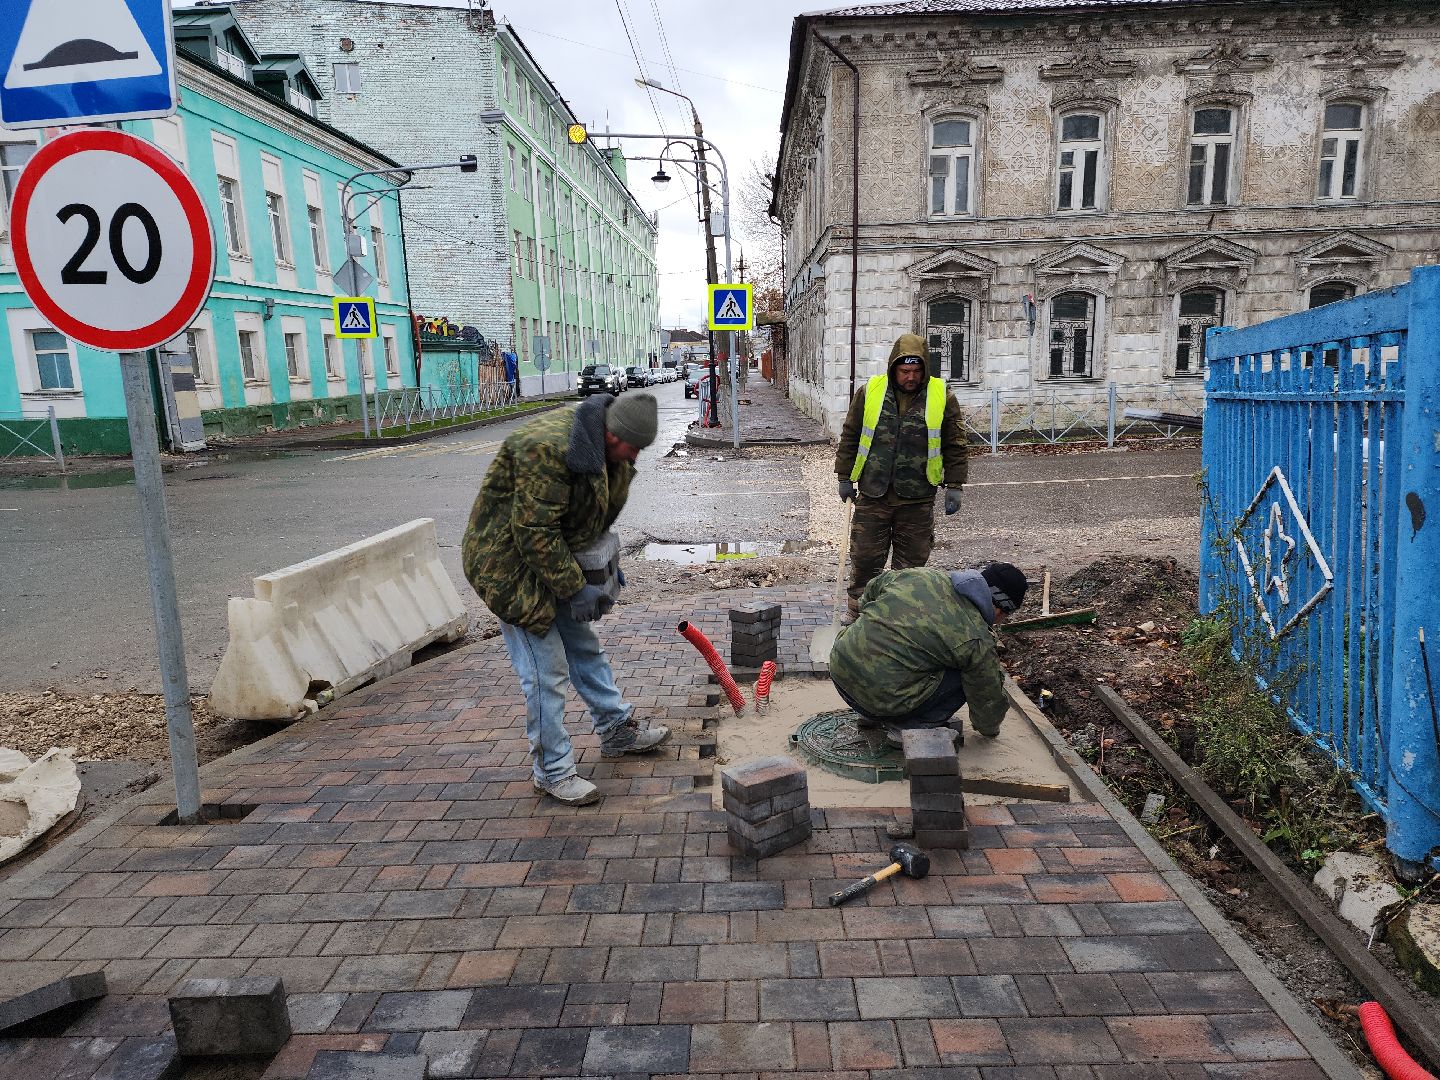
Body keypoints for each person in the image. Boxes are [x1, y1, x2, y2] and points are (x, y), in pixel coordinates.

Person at [462, 392, 669, 806]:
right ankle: (552, 771)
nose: (634, 457)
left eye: (639, 450)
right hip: (510, 566)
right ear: (611, 433)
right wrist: (575, 587)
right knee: (545, 671)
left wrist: (601, 569)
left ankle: (615, 729)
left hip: (558, 559)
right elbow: (535, 531)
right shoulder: (548, 448)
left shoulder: (616, 454)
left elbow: (592, 515)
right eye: (631, 447)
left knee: (584, 648)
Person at [834, 333, 968, 624]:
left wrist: (955, 485)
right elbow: (851, 435)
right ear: (893, 367)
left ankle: (895, 616)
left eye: (917, 371)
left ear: (925, 369)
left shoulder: (941, 395)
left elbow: (955, 443)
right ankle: (858, 611)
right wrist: (844, 476)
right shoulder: (871, 392)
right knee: (866, 557)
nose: (911, 377)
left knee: (910, 564)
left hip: (917, 496)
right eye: (905, 371)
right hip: (873, 491)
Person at [829, 562, 1028, 744]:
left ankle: (871, 712)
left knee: (920, 653)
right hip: (884, 704)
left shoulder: (921, 576)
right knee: (968, 674)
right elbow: (987, 702)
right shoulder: (977, 638)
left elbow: (872, 588)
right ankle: (907, 727)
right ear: (1001, 610)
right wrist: (991, 729)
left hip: (840, 674)